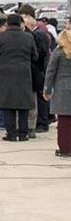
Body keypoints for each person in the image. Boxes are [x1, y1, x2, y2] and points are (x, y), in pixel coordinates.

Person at [0, 14, 38, 141]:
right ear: (20, 23)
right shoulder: (28, 37)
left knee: (8, 103)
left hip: (7, 73)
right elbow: (35, 56)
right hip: (24, 74)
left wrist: (2, 61)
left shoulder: (0, 37)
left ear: (8, 24)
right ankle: (23, 133)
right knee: (23, 104)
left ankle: (11, 133)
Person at [19, 5, 52, 136]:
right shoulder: (40, 33)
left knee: (40, 97)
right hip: (38, 70)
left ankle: (42, 123)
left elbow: (40, 54)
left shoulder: (38, 35)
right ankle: (41, 122)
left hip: (38, 70)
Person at [43, 24, 71, 156]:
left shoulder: (58, 52)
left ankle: (65, 149)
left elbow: (50, 72)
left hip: (62, 90)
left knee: (64, 122)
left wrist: (47, 90)